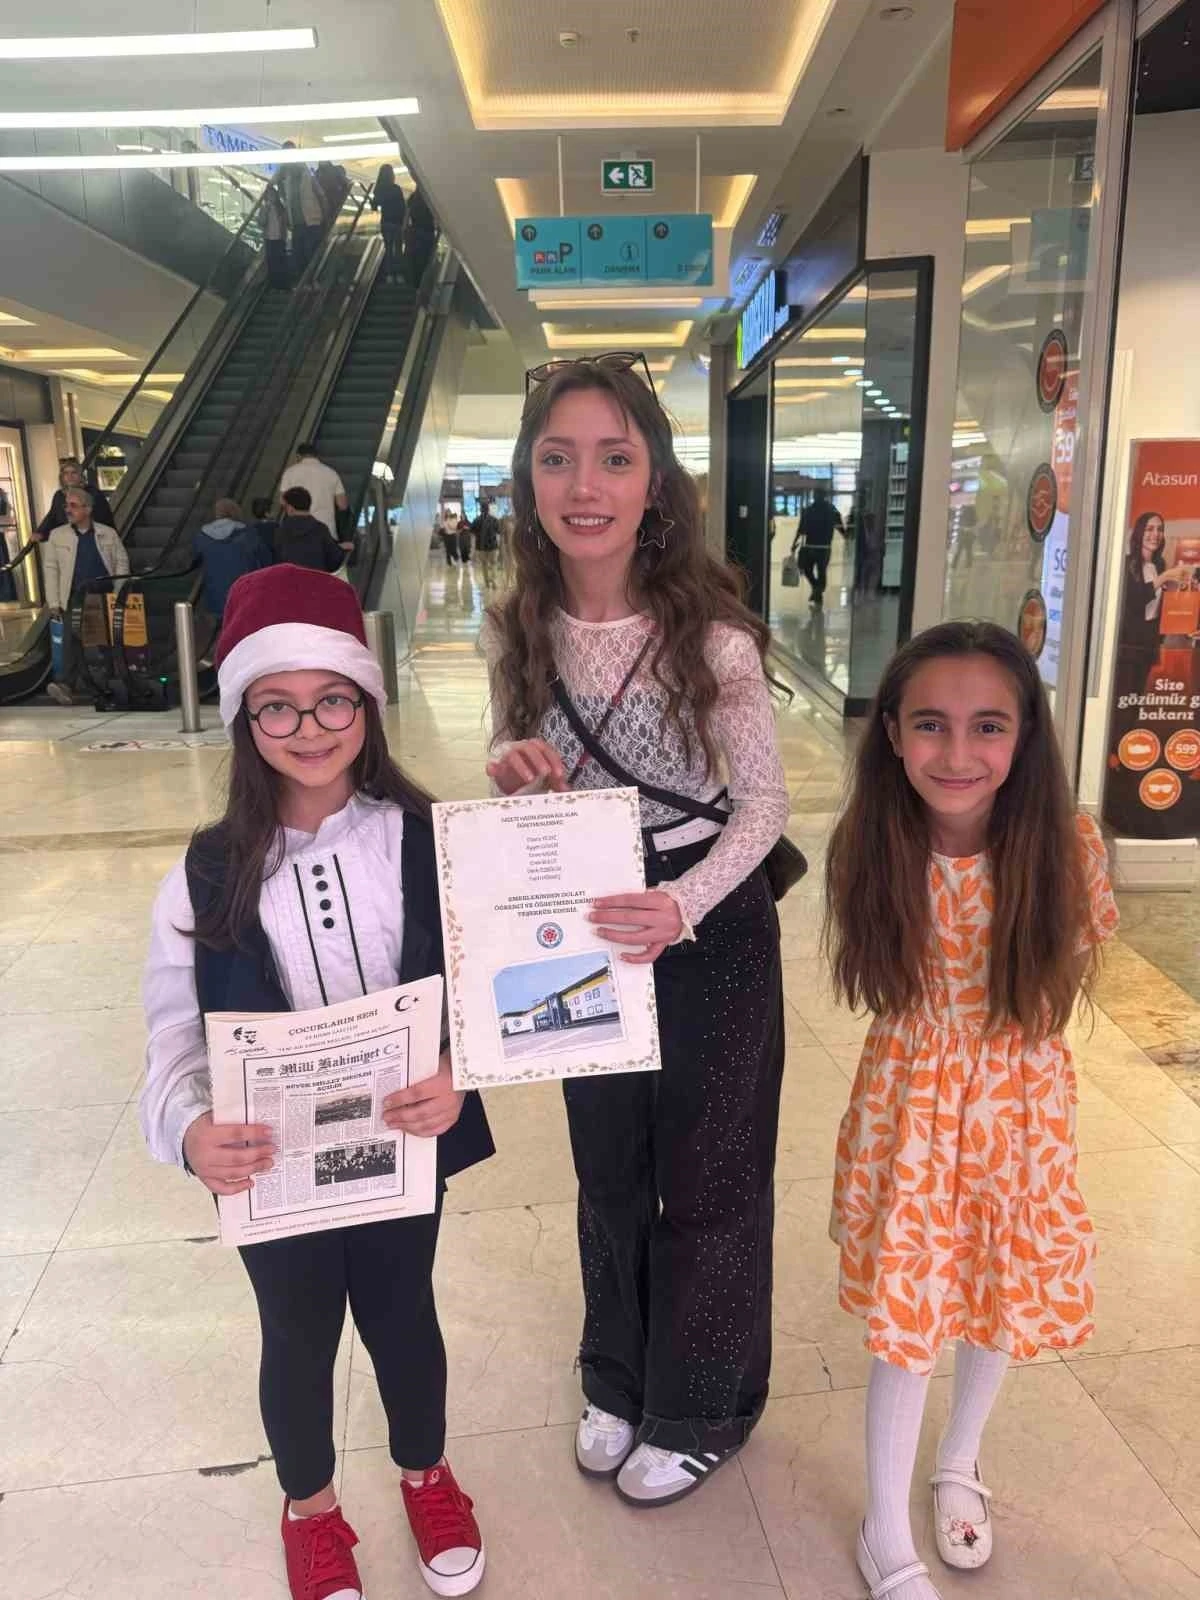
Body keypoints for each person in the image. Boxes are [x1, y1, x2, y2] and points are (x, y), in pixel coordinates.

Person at [140, 565, 492, 1600]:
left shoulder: (426, 841)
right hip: (274, 1164)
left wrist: (458, 1072)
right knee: (296, 1333)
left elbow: (489, 987)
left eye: (332, 698)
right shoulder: (204, 873)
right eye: (278, 706)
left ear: (366, 704)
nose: (308, 727)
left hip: (401, 1144)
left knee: (402, 1312)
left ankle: (426, 1473)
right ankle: (312, 1509)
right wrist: (191, 1129)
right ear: (244, 719)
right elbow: (172, 1030)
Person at [482, 353, 789, 1505]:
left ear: (654, 479)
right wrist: (515, 769)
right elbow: (517, 755)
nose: (586, 485)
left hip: (707, 917)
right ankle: (615, 1374)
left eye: (614, 457)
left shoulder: (713, 637)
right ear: (528, 480)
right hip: (586, 917)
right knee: (607, 1164)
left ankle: (703, 1400)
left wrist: (683, 905)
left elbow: (765, 807)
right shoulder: (517, 627)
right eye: (558, 457)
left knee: (712, 1171)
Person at [823, 621, 1119, 1600]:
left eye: (988, 725)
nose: (957, 753)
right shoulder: (876, 844)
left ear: (1026, 734)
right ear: (893, 734)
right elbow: (886, 982)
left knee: (995, 1288)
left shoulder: (1070, 849)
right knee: (910, 1315)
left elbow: (1055, 986)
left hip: (1017, 1109)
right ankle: (883, 1526)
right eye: (930, 724)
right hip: (911, 1107)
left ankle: (958, 1462)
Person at [42, 486, 129, 705]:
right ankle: (66, 685)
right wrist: (54, 602)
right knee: (72, 640)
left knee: (105, 641)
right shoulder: (58, 535)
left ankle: (110, 682)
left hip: (103, 595)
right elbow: (51, 570)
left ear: (87, 509)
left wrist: (119, 591)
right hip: (75, 596)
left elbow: (121, 562)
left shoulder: (107, 533)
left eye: (73, 505)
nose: (68, 510)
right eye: (66, 506)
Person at [192, 498, 273, 624]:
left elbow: (195, 558)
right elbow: (265, 559)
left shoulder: (201, 536)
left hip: (215, 596)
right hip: (243, 594)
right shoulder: (248, 533)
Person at [279, 442, 348, 541]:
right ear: (316, 455)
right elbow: (342, 505)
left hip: (298, 531)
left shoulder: (290, 473)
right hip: (327, 530)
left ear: (298, 456)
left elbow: (282, 501)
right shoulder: (331, 473)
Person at [275, 486, 352, 572]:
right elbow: (334, 561)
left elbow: (276, 560)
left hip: (288, 578)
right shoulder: (321, 529)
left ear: (290, 508)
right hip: (315, 579)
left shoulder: (280, 531)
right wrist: (340, 549)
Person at [790, 485, 843, 607]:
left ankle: (816, 590)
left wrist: (794, 543)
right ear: (825, 496)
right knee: (821, 571)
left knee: (807, 569)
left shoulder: (808, 510)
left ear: (814, 496)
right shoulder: (831, 509)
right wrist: (846, 535)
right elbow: (839, 526)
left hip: (810, 546)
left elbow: (801, 529)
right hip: (824, 547)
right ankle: (817, 591)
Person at [36, 457, 115, 539]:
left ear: (80, 476)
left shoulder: (94, 493)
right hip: (67, 540)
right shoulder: (59, 496)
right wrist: (40, 532)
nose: (70, 476)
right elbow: (52, 517)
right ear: (62, 477)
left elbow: (105, 519)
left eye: (74, 473)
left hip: (94, 537)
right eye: (66, 473)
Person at [281, 144, 325, 276]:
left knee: (310, 254)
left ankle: (313, 279)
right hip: (297, 224)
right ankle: (303, 281)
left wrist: (325, 215)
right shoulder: (287, 179)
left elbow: (321, 194)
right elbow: (288, 201)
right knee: (299, 256)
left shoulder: (307, 174)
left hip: (312, 222)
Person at [371, 163, 408, 284]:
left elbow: (374, 206)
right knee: (398, 250)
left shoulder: (379, 189)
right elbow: (403, 207)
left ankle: (389, 275)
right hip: (397, 223)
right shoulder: (396, 189)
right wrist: (404, 223)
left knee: (388, 250)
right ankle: (399, 275)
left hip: (386, 222)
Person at [403, 184, 438, 289]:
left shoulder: (412, 198)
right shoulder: (430, 198)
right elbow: (436, 216)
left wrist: (404, 230)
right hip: (428, 233)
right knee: (425, 259)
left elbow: (406, 216)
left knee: (415, 259)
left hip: (415, 233)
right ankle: (422, 285)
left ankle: (414, 283)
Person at [262, 178, 291, 290]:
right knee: (271, 263)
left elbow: (287, 222)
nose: (271, 197)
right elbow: (261, 222)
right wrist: (266, 210)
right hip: (269, 239)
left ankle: (283, 285)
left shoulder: (281, 208)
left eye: (273, 195)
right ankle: (274, 285)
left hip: (280, 239)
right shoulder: (264, 208)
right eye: (269, 195)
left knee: (281, 262)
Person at [471, 499, 501, 589]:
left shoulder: (476, 520)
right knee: (494, 564)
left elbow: (472, 532)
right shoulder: (494, 520)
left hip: (481, 547)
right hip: (493, 546)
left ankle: (487, 582)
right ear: (488, 509)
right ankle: (494, 581)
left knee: (484, 565)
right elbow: (499, 531)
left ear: (481, 509)